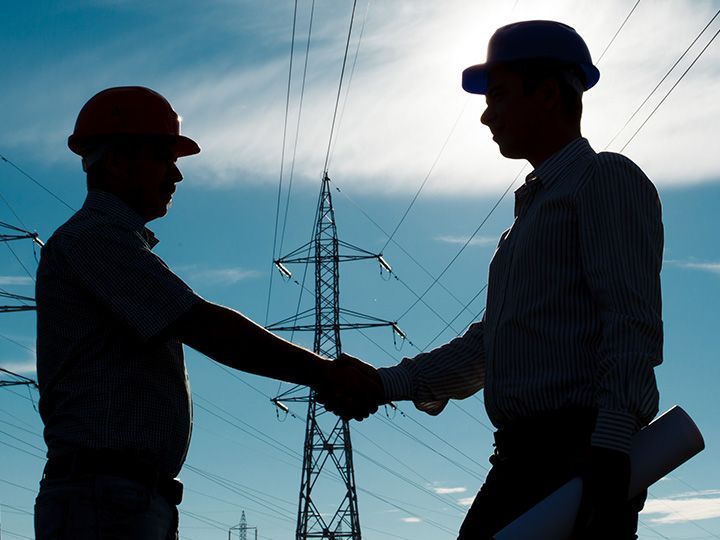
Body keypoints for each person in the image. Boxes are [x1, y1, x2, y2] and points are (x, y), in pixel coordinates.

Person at [319, 20, 664, 539]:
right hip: (527, 460)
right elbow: (489, 348)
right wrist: (384, 382)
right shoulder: (527, 220)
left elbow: (630, 319)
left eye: (499, 95)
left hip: (579, 456)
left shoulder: (604, 180)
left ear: (547, 94)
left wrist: (611, 452)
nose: (485, 115)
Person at [33, 86, 363, 540]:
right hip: (105, 499)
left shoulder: (112, 244)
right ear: (114, 161)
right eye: (162, 157)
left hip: (120, 497)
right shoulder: (94, 240)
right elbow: (206, 326)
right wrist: (327, 374)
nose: (176, 176)